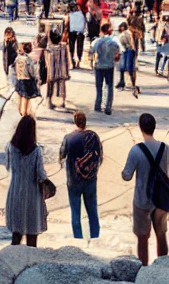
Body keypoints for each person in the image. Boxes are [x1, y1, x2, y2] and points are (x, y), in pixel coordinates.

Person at [122, 113, 169, 266]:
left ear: (141, 128)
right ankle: (162, 266)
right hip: (161, 201)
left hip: (142, 200)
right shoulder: (166, 149)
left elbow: (126, 176)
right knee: (161, 235)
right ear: (154, 127)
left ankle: (144, 269)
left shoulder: (136, 150)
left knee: (142, 237)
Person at [5, 115, 48, 247]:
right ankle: (31, 263)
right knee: (32, 234)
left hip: (15, 192)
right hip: (32, 194)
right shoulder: (35, 151)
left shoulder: (10, 147)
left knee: (16, 235)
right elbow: (40, 173)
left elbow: (8, 167)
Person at [59, 111, 102, 240]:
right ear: (85, 122)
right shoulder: (93, 136)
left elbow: (62, 155)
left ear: (75, 122)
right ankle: (95, 237)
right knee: (92, 211)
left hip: (73, 179)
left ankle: (78, 238)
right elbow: (99, 155)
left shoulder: (69, 138)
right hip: (90, 179)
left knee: (75, 213)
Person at [92, 21, 121, 115]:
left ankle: (98, 104)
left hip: (99, 66)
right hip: (109, 66)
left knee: (99, 87)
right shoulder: (114, 42)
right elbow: (118, 54)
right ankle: (108, 106)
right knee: (109, 87)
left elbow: (92, 52)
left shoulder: (97, 42)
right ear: (109, 31)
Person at [14, 41, 41, 117]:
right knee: (26, 97)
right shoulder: (28, 59)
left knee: (20, 96)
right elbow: (31, 71)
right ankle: (24, 112)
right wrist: (34, 77)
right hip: (27, 80)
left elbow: (15, 69)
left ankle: (20, 110)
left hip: (19, 79)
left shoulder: (18, 58)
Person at [46, 28, 70, 109]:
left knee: (50, 86)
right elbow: (66, 59)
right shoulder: (63, 47)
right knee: (62, 86)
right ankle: (63, 102)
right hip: (61, 70)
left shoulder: (49, 48)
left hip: (51, 71)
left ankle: (49, 101)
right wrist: (67, 71)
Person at [117, 20, 136, 92]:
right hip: (123, 50)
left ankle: (132, 83)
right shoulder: (121, 34)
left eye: (122, 27)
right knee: (122, 67)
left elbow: (132, 42)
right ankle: (121, 82)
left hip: (129, 50)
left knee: (129, 67)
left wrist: (134, 50)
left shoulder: (128, 32)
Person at [67, 3, 86, 67]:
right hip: (73, 32)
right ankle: (73, 61)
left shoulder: (80, 14)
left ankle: (78, 61)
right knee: (72, 47)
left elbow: (83, 24)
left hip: (78, 32)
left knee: (78, 47)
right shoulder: (71, 14)